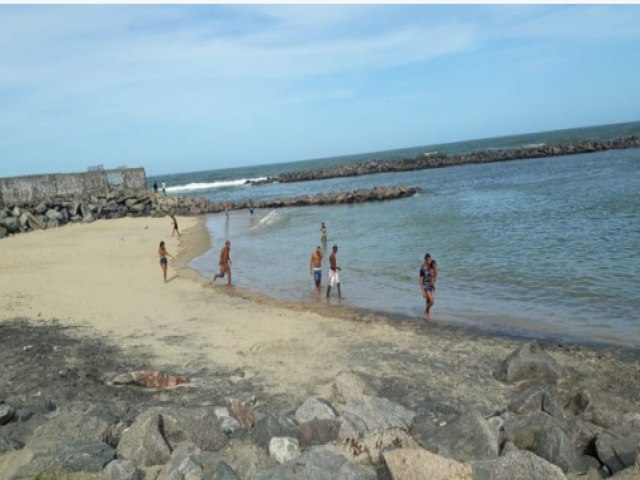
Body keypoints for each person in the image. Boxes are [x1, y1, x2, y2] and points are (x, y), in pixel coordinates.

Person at [419, 253, 435, 321]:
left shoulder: (430, 267)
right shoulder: (423, 268)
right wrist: (423, 291)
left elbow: (433, 276)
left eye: (430, 259)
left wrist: (433, 284)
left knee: (428, 302)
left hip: (430, 286)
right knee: (432, 301)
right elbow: (420, 280)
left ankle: (427, 316)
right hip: (426, 286)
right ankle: (425, 312)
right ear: (425, 260)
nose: (429, 260)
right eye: (428, 259)